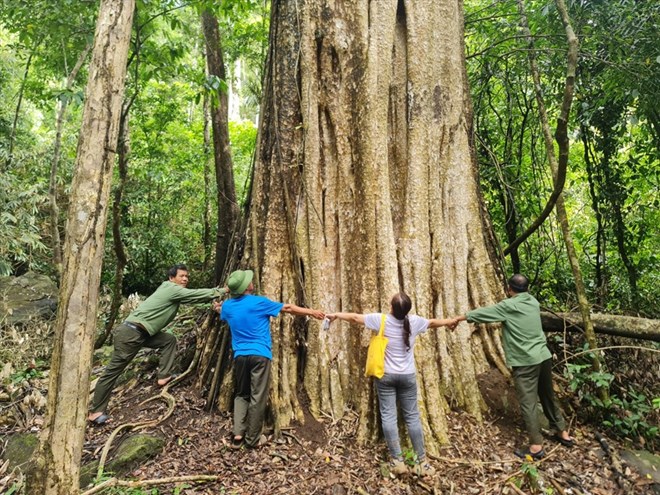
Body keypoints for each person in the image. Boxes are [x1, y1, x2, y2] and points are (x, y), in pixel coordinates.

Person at [326, 292, 456, 477]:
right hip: (407, 376)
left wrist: (336, 315)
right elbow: (433, 323)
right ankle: (422, 462)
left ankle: (398, 461)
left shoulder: (381, 320)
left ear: (392, 308)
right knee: (412, 417)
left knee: (388, 416)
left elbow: (355, 318)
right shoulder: (415, 322)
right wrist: (450, 321)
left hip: (385, 375)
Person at [450, 274, 574, 460]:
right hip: (543, 356)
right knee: (548, 395)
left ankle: (535, 446)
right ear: (527, 289)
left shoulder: (508, 306)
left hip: (526, 362)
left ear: (509, 289)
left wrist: (460, 318)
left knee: (528, 403)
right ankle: (562, 432)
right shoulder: (533, 302)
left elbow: (485, 313)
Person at [88, 264, 226, 425]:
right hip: (131, 333)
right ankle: (95, 412)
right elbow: (195, 295)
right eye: (181, 276)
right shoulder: (171, 288)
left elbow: (193, 299)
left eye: (187, 276)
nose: (185, 279)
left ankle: (163, 376)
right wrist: (223, 290)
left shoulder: (173, 292)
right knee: (112, 372)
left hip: (143, 333)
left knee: (168, 340)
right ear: (171, 278)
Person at [215, 269, 325, 448]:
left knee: (242, 394)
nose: (252, 281)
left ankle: (237, 434)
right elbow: (288, 308)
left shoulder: (227, 306)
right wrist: (312, 312)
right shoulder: (259, 302)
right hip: (260, 355)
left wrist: (217, 307)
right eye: (249, 281)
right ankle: (252, 438)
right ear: (246, 287)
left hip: (240, 356)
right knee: (258, 395)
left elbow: (222, 312)